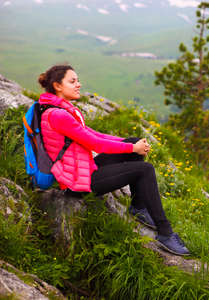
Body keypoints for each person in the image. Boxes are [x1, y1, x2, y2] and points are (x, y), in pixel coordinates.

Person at [37, 64, 190, 256]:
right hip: (77, 183)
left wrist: (129, 143)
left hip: (83, 169)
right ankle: (165, 233)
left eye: (77, 80)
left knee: (133, 144)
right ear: (57, 86)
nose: (78, 84)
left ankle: (139, 207)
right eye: (72, 81)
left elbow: (93, 134)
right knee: (145, 169)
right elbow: (95, 144)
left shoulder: (60, 109)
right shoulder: (58, 115)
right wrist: (132, 149)